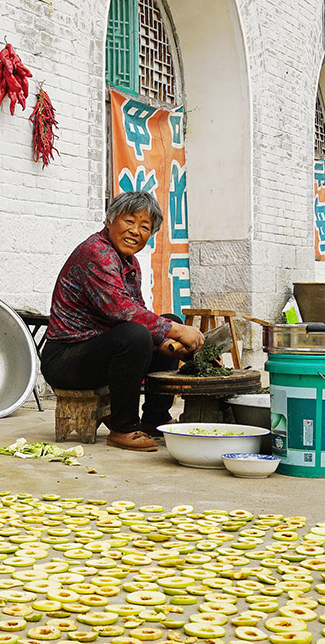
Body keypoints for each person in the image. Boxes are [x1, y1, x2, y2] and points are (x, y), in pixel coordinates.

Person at [41, 191, 205, 452]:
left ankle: (154, 417)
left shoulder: (129, 262)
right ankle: (123, 427)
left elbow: (139, 312)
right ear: (110, 220)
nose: (135, 231)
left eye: (145, 227)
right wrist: (178, 330)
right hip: (66, 358)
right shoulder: (97, 253)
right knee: (140, 333)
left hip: (99, 350)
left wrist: (170, 342)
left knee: (162, 325)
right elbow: (121, 311)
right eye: (129, 221)